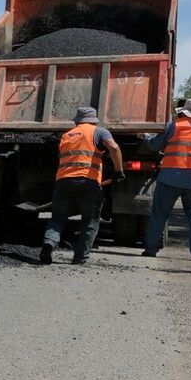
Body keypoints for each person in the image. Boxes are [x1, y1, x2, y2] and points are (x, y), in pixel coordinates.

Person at [38, 107, 125, 265]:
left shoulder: (66, 135)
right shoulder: (99, 132)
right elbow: (114, 147)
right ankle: (80, 258)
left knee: (57, 218)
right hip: (88, 182)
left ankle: (49, 243)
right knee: (90, 220)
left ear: (77, 121)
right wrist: (118, 170)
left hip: (63, 183)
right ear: (94, 120)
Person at [140, 98, 191, 261]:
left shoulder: (174, 125)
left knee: (159, 215)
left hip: (169, 178)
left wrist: (145, 137)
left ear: (184, 111)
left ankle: (151, 249)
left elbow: (154, 145)